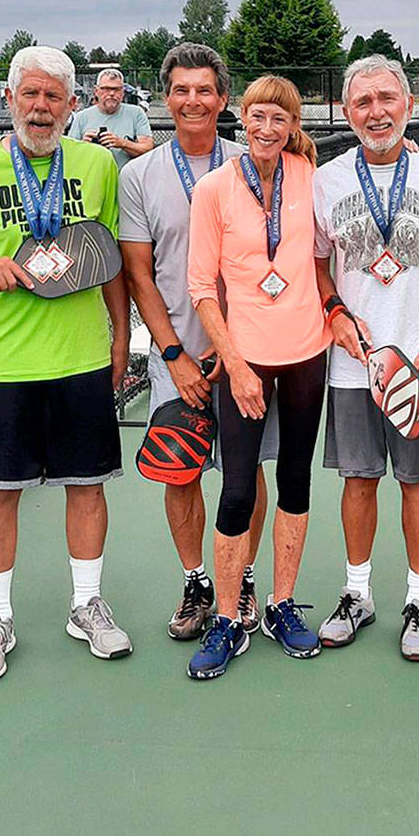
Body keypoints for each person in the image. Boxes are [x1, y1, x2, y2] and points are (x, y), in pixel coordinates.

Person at [0, 46, 133, 683]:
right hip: (1, 362)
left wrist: (121, 338)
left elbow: (110, 256)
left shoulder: (97, 164)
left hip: (81, 356)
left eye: (53, 97)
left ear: (73, 104)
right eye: (30, 95)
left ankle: (86, 604)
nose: (41, 108)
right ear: (11, 99)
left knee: (87, 483)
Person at [312, 56, 419, 661]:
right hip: (354, 365)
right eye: (362, 103)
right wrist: (333, 313)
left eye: (386, 98)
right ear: (348, 112)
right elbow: (315, 264)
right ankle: (358, 593)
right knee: (357, 479)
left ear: (408, 104)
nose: (375, 112)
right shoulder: (326, 181)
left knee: (416, 478)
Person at [118, 43, 280, 641]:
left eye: (205, 90)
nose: (193, 100)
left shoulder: (259, 161)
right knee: (180, 472)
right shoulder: (139, 177)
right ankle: (197, 582)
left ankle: (242, 579)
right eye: (181, 90)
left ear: (223, 98)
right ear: (166, 98)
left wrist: (234, 352)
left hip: (249, 352)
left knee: (248, 469)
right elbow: (139, 274)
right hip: (178, 356)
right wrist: (174, 356)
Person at [185, 75, 329, 679]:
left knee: (295, 480)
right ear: (240, 118)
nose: (266, 128)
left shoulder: (312, 178)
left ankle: (281, 604)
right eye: (256, 116)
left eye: (278, 118)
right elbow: (201, 288)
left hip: (306, 354)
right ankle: (226, 617)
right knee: (238, 488)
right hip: (244, 360)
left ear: (292, 125)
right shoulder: (214, 189)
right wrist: (236, 366)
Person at [68, 68, 154, 169]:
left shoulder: (136, 113)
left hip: (126, 180)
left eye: (116, 89)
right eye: (106, 89)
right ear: (96, 91)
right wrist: (84, 145)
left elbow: (147, 148)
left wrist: (121, 143)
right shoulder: (81, 117)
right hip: (93, 178)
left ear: (123, 92)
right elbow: (69, 155)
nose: (112, 93)